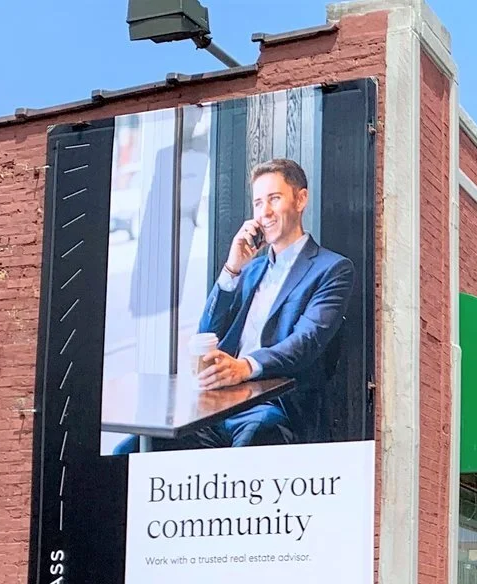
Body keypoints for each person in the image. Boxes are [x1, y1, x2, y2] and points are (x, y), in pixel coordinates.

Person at [117, 158, 354, 451]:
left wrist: (245, 366)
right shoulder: (250, 270)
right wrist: (231, 270)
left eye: (274, 199)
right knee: (131, 450)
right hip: (220, 404)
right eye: (257, 203)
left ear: (300, 199)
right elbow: (207, 333)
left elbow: (305, 342)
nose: (264, 212)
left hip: (273, 406)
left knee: (248, 451)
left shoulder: (332, 269)